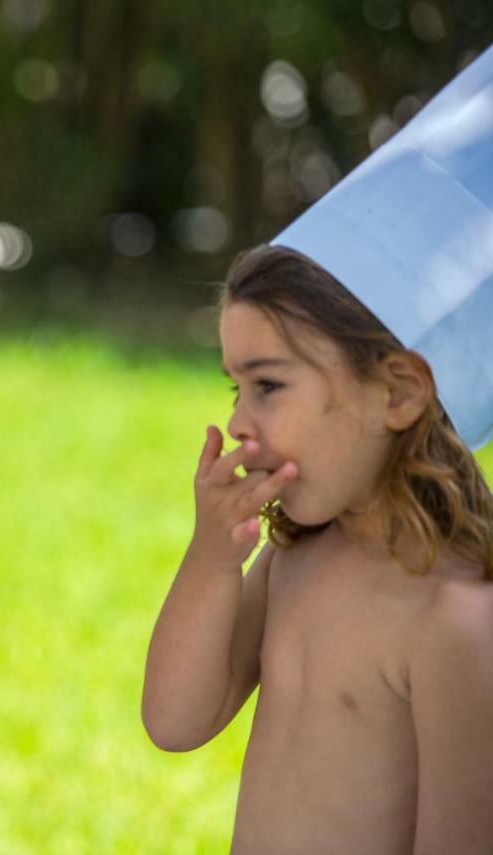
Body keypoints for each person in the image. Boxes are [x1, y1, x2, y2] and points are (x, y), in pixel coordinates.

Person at [143, 46, 493, 853]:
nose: (237, 420)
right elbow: (175, 720)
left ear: (399, 393)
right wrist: (209, 558)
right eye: (236, 386)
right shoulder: (296, 557)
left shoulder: (454, 621)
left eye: (268, 385)